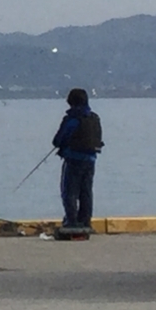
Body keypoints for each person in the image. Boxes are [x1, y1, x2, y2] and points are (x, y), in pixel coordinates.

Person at [52, 88, 103, 231]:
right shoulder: (94, 118)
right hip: (91, 160)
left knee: (69, 192)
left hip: (73, 159)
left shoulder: (72, 119)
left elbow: (58, 140)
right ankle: (85, 221)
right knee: (86, 192)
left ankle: (72, 222)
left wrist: (62, 146)